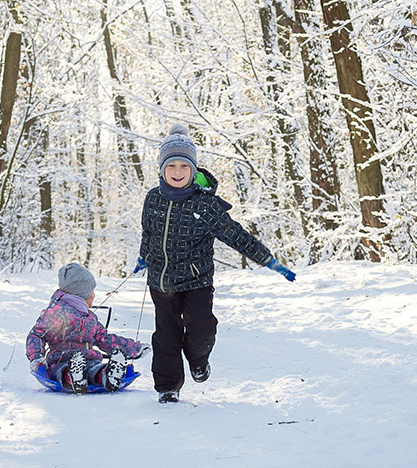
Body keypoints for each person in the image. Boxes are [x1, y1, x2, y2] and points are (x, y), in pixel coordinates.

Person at [134, 124, 296, 403]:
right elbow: (148, 232)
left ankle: (198, 360)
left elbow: (235, 235)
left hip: (196, 280)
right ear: (161, 168)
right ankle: (168, 387)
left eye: (183, 166)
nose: (177, 171)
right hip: (161, 282)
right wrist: (143, 256)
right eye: (170, 165)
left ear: (193, 169)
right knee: (166, 336)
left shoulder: (204, 205)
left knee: (201, 329)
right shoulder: (153, 199)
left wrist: (269, 261)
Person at [25, 262, 145, 393]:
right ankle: (76, 375)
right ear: (82, 295)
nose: (93, 295)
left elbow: (105, 339)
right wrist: (37, 358)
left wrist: (134, 348)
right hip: (60, 360)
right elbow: (38, 334)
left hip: (88, 360)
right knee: (62, 370)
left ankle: (107, 374)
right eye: (91, 292)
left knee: (94, 368)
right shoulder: (57, 313)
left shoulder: (89, 317)